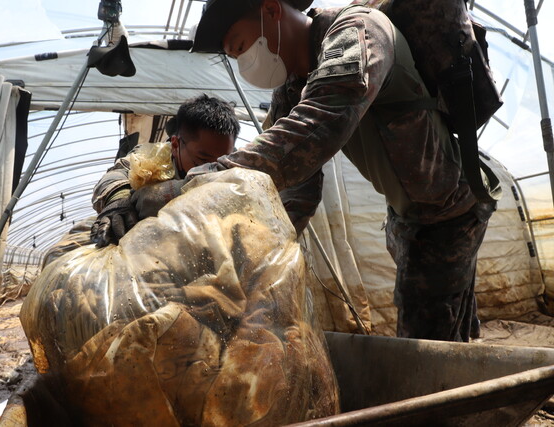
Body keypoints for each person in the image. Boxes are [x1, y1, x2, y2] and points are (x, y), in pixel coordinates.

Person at [124, 0, 501, 342]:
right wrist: (249, 269)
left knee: (426, 335)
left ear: (270, 10)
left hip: (448, 210)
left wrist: (186, 189)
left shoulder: (358, 31)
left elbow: (316, 130)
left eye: (240, 46)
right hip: (411, 214)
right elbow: (294, 193)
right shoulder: (293, 88)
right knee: (450, 319)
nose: (244, 64)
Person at [90, 94, 240, 247]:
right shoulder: (148, 158)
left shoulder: (237, 165)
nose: (211, 171)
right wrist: (119, 200)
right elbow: (115, 175)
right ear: (175, 145)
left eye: (219, 163)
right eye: (202, 160)